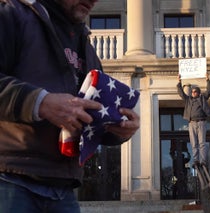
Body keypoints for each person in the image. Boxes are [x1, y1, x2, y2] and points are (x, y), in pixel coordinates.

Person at [0, 0, 139, 212]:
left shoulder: (86, 46)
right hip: (9, 178)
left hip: (64, 188)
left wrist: (119, 131)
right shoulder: (12, 15)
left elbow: (90, 115)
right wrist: (41, 102)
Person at [177, 74, 210, 168]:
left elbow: (209, 91)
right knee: (194, 143)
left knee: (202, 143)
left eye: (195, 91)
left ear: (198, 92)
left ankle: (203, 161)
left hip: (201, 122)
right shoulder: (188, 100)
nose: (193, 93)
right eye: (192, 92)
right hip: (192, 122)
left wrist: (208, 80)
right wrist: (179, 82)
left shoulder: (202, 98)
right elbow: (181, 93)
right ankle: (196, 160)